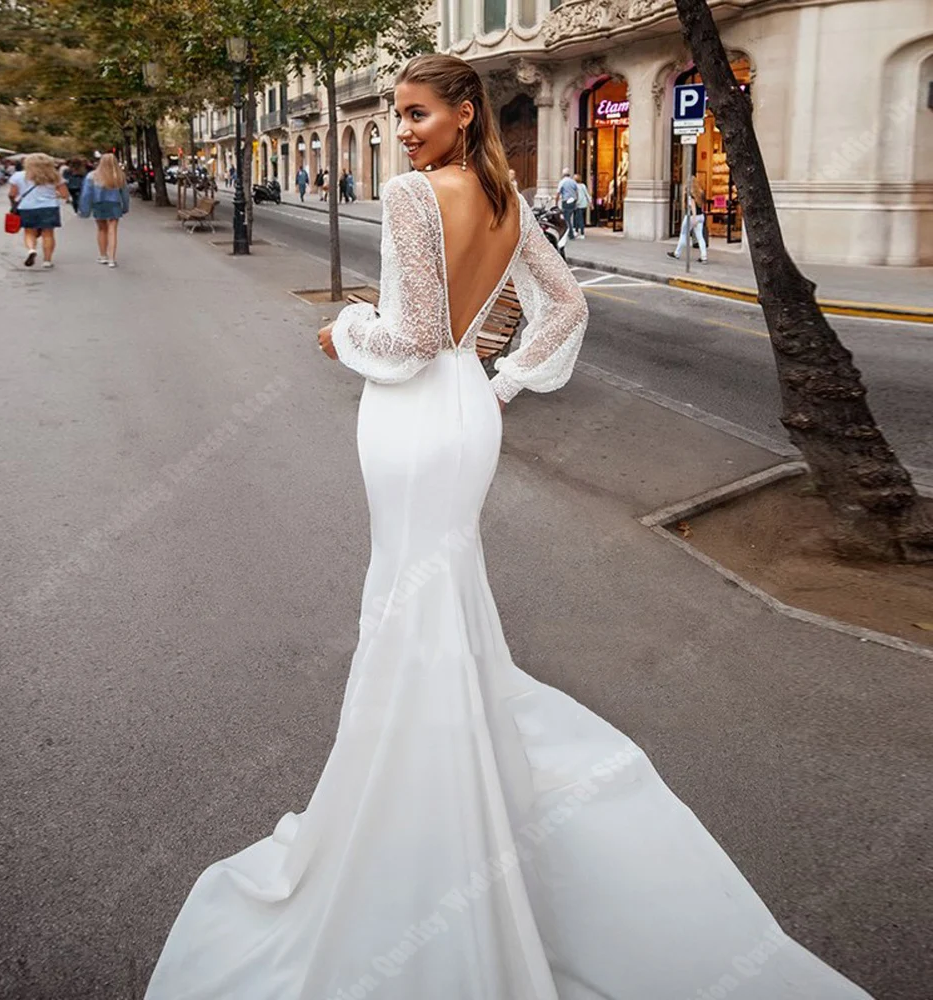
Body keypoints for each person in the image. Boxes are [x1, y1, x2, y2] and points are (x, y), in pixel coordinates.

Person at [144, 52, 875, 1000]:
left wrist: (346, 330)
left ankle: (417, 820)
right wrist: (497, 381)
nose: (403, 131)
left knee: (410, 599)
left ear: (462, 110)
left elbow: (407, 341)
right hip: (464, 415)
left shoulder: (414, 196)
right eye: (398, 117)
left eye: (415, 113)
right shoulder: (507, 197)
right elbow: (562, 305)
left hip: (412, 418)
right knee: (437, 596)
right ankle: (454, 793)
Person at [8, 152, 68, 269]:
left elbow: (12, 194)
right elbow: (65, 195)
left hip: (27, 207)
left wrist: (14, 203)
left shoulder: (18, 176)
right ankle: (47, 260)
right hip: (49, 207)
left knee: (29, 232)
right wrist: (54, 195)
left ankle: (31, 250)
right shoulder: (55, 177)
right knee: (48, 234)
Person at [78, 153, 130, 268]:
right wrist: (125, 207)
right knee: (113, 231)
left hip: (99, 204)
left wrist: (85, 210)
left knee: (101, 229)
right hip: (115, 204)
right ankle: (112, 259)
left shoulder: (92, 176)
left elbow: (86, 194)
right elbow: (125, 194)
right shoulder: (119, 175)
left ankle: (103, 256)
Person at [668, 173, 708, 264]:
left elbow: (692, 207)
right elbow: (702, 206)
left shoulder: (690, 194)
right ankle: (704, 257)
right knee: (700, 237)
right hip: (701, 216)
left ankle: (677, 253)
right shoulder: (701, 193)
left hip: (691, 217)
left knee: (683, 234)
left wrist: (693, 219)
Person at [555, 165, 578, 239]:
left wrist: (556, 203)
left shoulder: (562, 182)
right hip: (572, 201)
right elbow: (577, 192)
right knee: (569, 217)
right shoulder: (573, 182)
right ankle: (569, 233)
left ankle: (570, 234)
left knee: (566, 218)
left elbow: (558, 193)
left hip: (566, 201)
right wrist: (576, 200)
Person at [574, 172, 589, 239]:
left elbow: (576, 196)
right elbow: (587, 194)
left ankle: (582, 233)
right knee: (578, 217)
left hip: (578, 204)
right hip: (583, 204)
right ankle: (577, 231)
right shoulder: (583, 185)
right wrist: (590, 202)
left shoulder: (575, 186)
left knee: (579, 219)